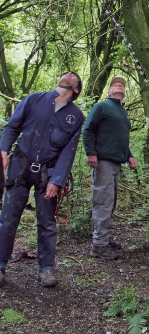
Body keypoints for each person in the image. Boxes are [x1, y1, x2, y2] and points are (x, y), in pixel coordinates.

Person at [0, 72, 83, 287]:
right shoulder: (34, 99)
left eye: (73, 76)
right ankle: (0, 264)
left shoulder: (75, 116)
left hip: (49, 172)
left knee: (47, 221)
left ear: (75, 90)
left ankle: (45, 269)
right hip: (20, 166)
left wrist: (57, 181)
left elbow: (68, 152)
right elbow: (12, 126)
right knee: (9, 216)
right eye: (65, 74)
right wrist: (3, 150)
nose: (69, 73)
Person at [83, 76, 138, 260]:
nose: (119, 85)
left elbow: (120, 138)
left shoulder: (122, 113)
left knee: (110, 202)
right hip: (103, 161)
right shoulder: (102, 107)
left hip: (116, 162)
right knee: (103, 201)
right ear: (109, 91)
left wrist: (129, 155)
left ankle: (103, 238)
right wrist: (91, 153)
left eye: (121, 84)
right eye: (115, 84)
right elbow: (87, 129)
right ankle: (99, 245)